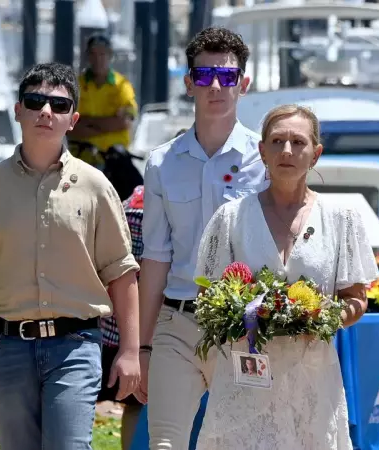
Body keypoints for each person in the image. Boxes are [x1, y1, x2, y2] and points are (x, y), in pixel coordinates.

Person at [0, 62, 141, 450]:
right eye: (35, 101)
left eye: (59, 104)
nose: (46, 112)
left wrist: (131, 351)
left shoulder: (96, 186)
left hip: (76, 345)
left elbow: (121, 272)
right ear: (18, 110)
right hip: (6, 348)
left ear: (74, 119)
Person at [193, 104, 379, 449]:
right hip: (245, 380)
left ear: (316, 154)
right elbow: (207, 297)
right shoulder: (231, 217)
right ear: (262, 151)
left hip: (311, 380)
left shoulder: (342, 218)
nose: (287, 151)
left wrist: (319, 315)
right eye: (277, 141)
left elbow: (357, 299)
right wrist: (241, 315)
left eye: (298, 142)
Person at [139, 27, 267, 448]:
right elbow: (155, 256)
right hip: (178, 323)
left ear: (243, 85)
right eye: (205, 75)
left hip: (246, 327)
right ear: (189, 82)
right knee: (165, 443)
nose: (216, 86)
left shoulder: (266, 159)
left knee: (245, 443)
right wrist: (141, 346)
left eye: (227, 77)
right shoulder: (161, 162)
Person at [97, 185, 146, 450]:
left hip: (111, 328)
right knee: (139, 402)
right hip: (138, 332)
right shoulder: (143, 210)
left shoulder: (134, 199)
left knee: (135, 403)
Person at [67, 34, 137, 166]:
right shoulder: (76, 84)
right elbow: (69, 126)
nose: (97, 59)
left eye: (102, 54)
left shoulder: (122, 85)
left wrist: (88, 121)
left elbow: (125, 122)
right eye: (93, 54)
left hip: (116, 160)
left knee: (137, 182)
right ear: (87, 57)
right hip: (82, 159)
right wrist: (109, 123)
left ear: (110, 56)